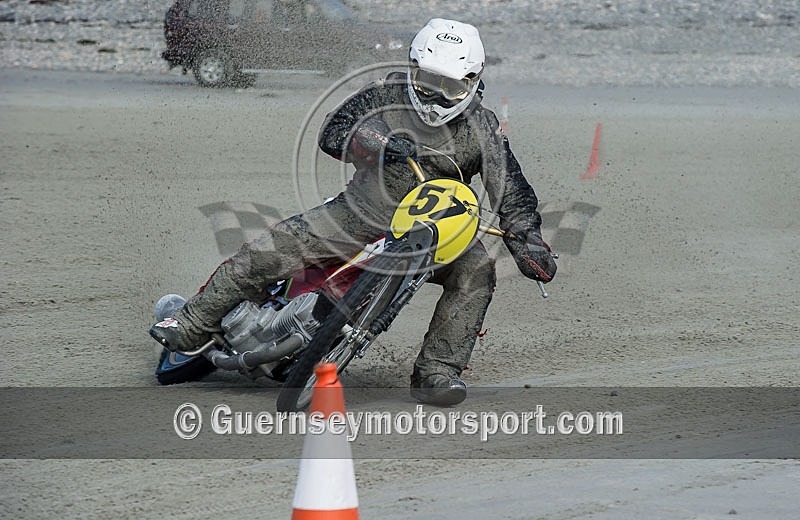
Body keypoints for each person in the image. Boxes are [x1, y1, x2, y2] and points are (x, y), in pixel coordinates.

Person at [150, 18, 557, 406]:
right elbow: (334, 130)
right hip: (360, 213)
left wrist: (530, 241)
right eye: (428, 81)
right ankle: (189, 326)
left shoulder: (482, 128)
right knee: (272, 249)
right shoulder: (383, 94)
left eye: (449, 86)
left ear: (471, 81)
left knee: (477, 270)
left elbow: (513, 193)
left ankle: (437, 372)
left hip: (438, 235)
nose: (435, 95)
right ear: (413, 69)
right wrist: (378, 142)